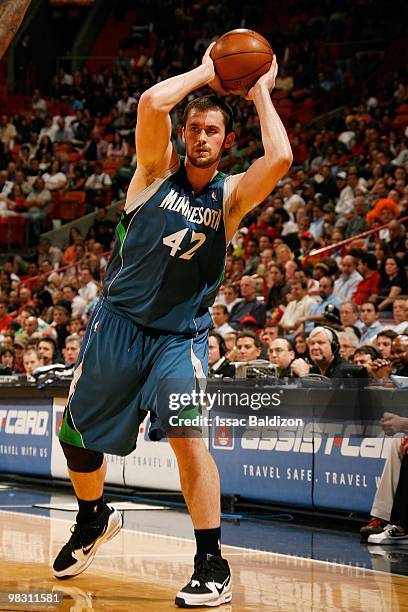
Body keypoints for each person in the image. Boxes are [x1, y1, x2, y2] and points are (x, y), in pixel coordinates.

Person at [53, 42, 292, 610]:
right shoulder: (154, 172)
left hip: (178, 341)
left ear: (225, 140)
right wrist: (210, 71)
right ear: (183, 135)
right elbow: (150, 102)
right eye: (195, 128)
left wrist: (257, 91)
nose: (203, 137)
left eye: (213, 129)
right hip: (116, 328)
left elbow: (279, 159)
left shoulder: (230, 198)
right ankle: (92, 518)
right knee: (77, 441)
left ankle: (211, 561)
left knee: (189, 436)